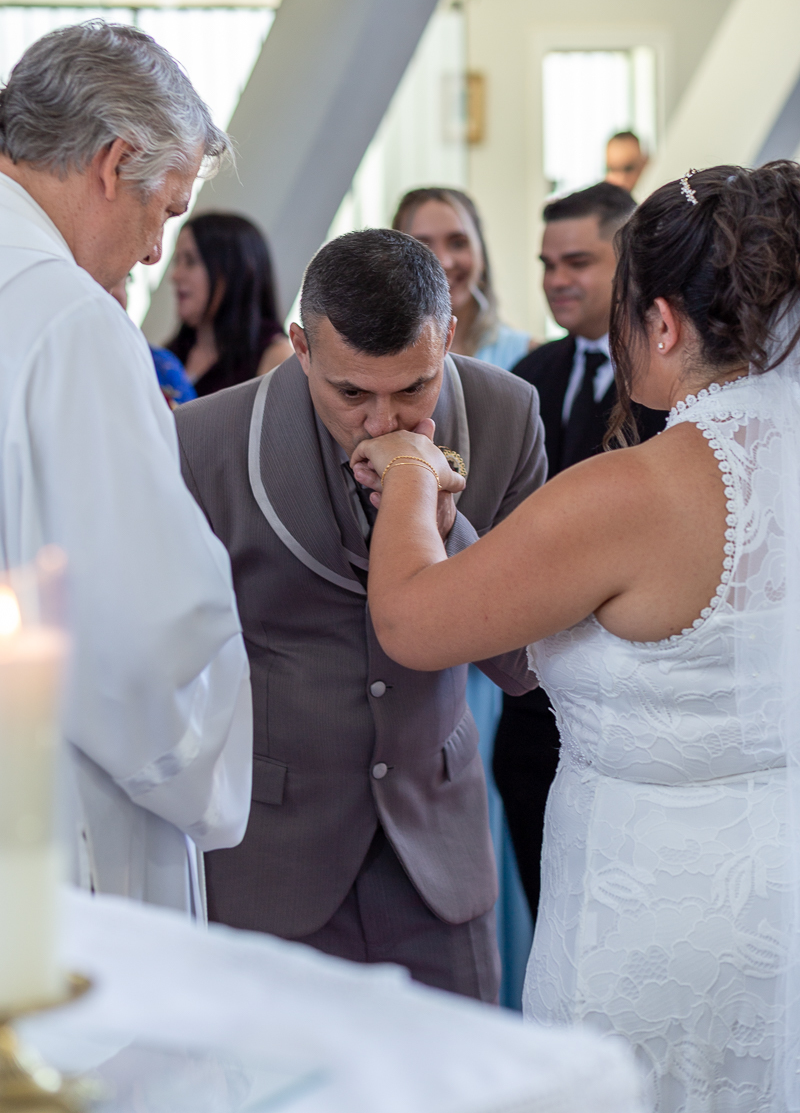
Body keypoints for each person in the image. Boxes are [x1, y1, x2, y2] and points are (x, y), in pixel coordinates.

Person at [349, 161, 800, 1111]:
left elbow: (411, 619)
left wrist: (408, 477)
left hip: (651, 914)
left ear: (665, 323)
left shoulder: (636, 487)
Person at [175, 228, 547, 1001]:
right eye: (352, 392)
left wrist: (446, 528)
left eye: (414, 386)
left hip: (437, 852)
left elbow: (523, 665)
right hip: (270, 859)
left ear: (447, 336)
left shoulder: (510, 415)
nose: (384, 421)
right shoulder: (202, 442)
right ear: (302, 346)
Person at [0, 20, 253, 913]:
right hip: (53, 810)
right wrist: (208, 771)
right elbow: (148, 630)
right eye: (166, 209)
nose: (154, 254)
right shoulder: (72, 321)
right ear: (113, 164)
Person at [493, 183, 666, 924]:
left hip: (629, 697)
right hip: (531, 716)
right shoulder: (534, 373)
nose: (558, 279)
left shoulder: (668, 387)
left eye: (578, 261)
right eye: (546, 264)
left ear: (627, 262)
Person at [394, 185, 534, 1006]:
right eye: (425, 241)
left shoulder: (518, 363)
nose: (446, 255)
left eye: (457, 238)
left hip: (488, 600)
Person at [392, 187, 531, 369]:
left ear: (480, 252)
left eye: (458, 243)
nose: (444, 262)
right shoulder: (371, 357)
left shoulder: (529, 357)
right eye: (423, 246)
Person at [167, 211, 293, 396]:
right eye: (177, 261)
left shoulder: (274, 357)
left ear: (234, 273)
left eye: (191, 261)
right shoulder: (175, 350)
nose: (175, 275)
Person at [110, 274, 196, 408]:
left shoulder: (161, 367)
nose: (119, 294)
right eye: (107, 281)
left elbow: (190, 425)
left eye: (126, 280)